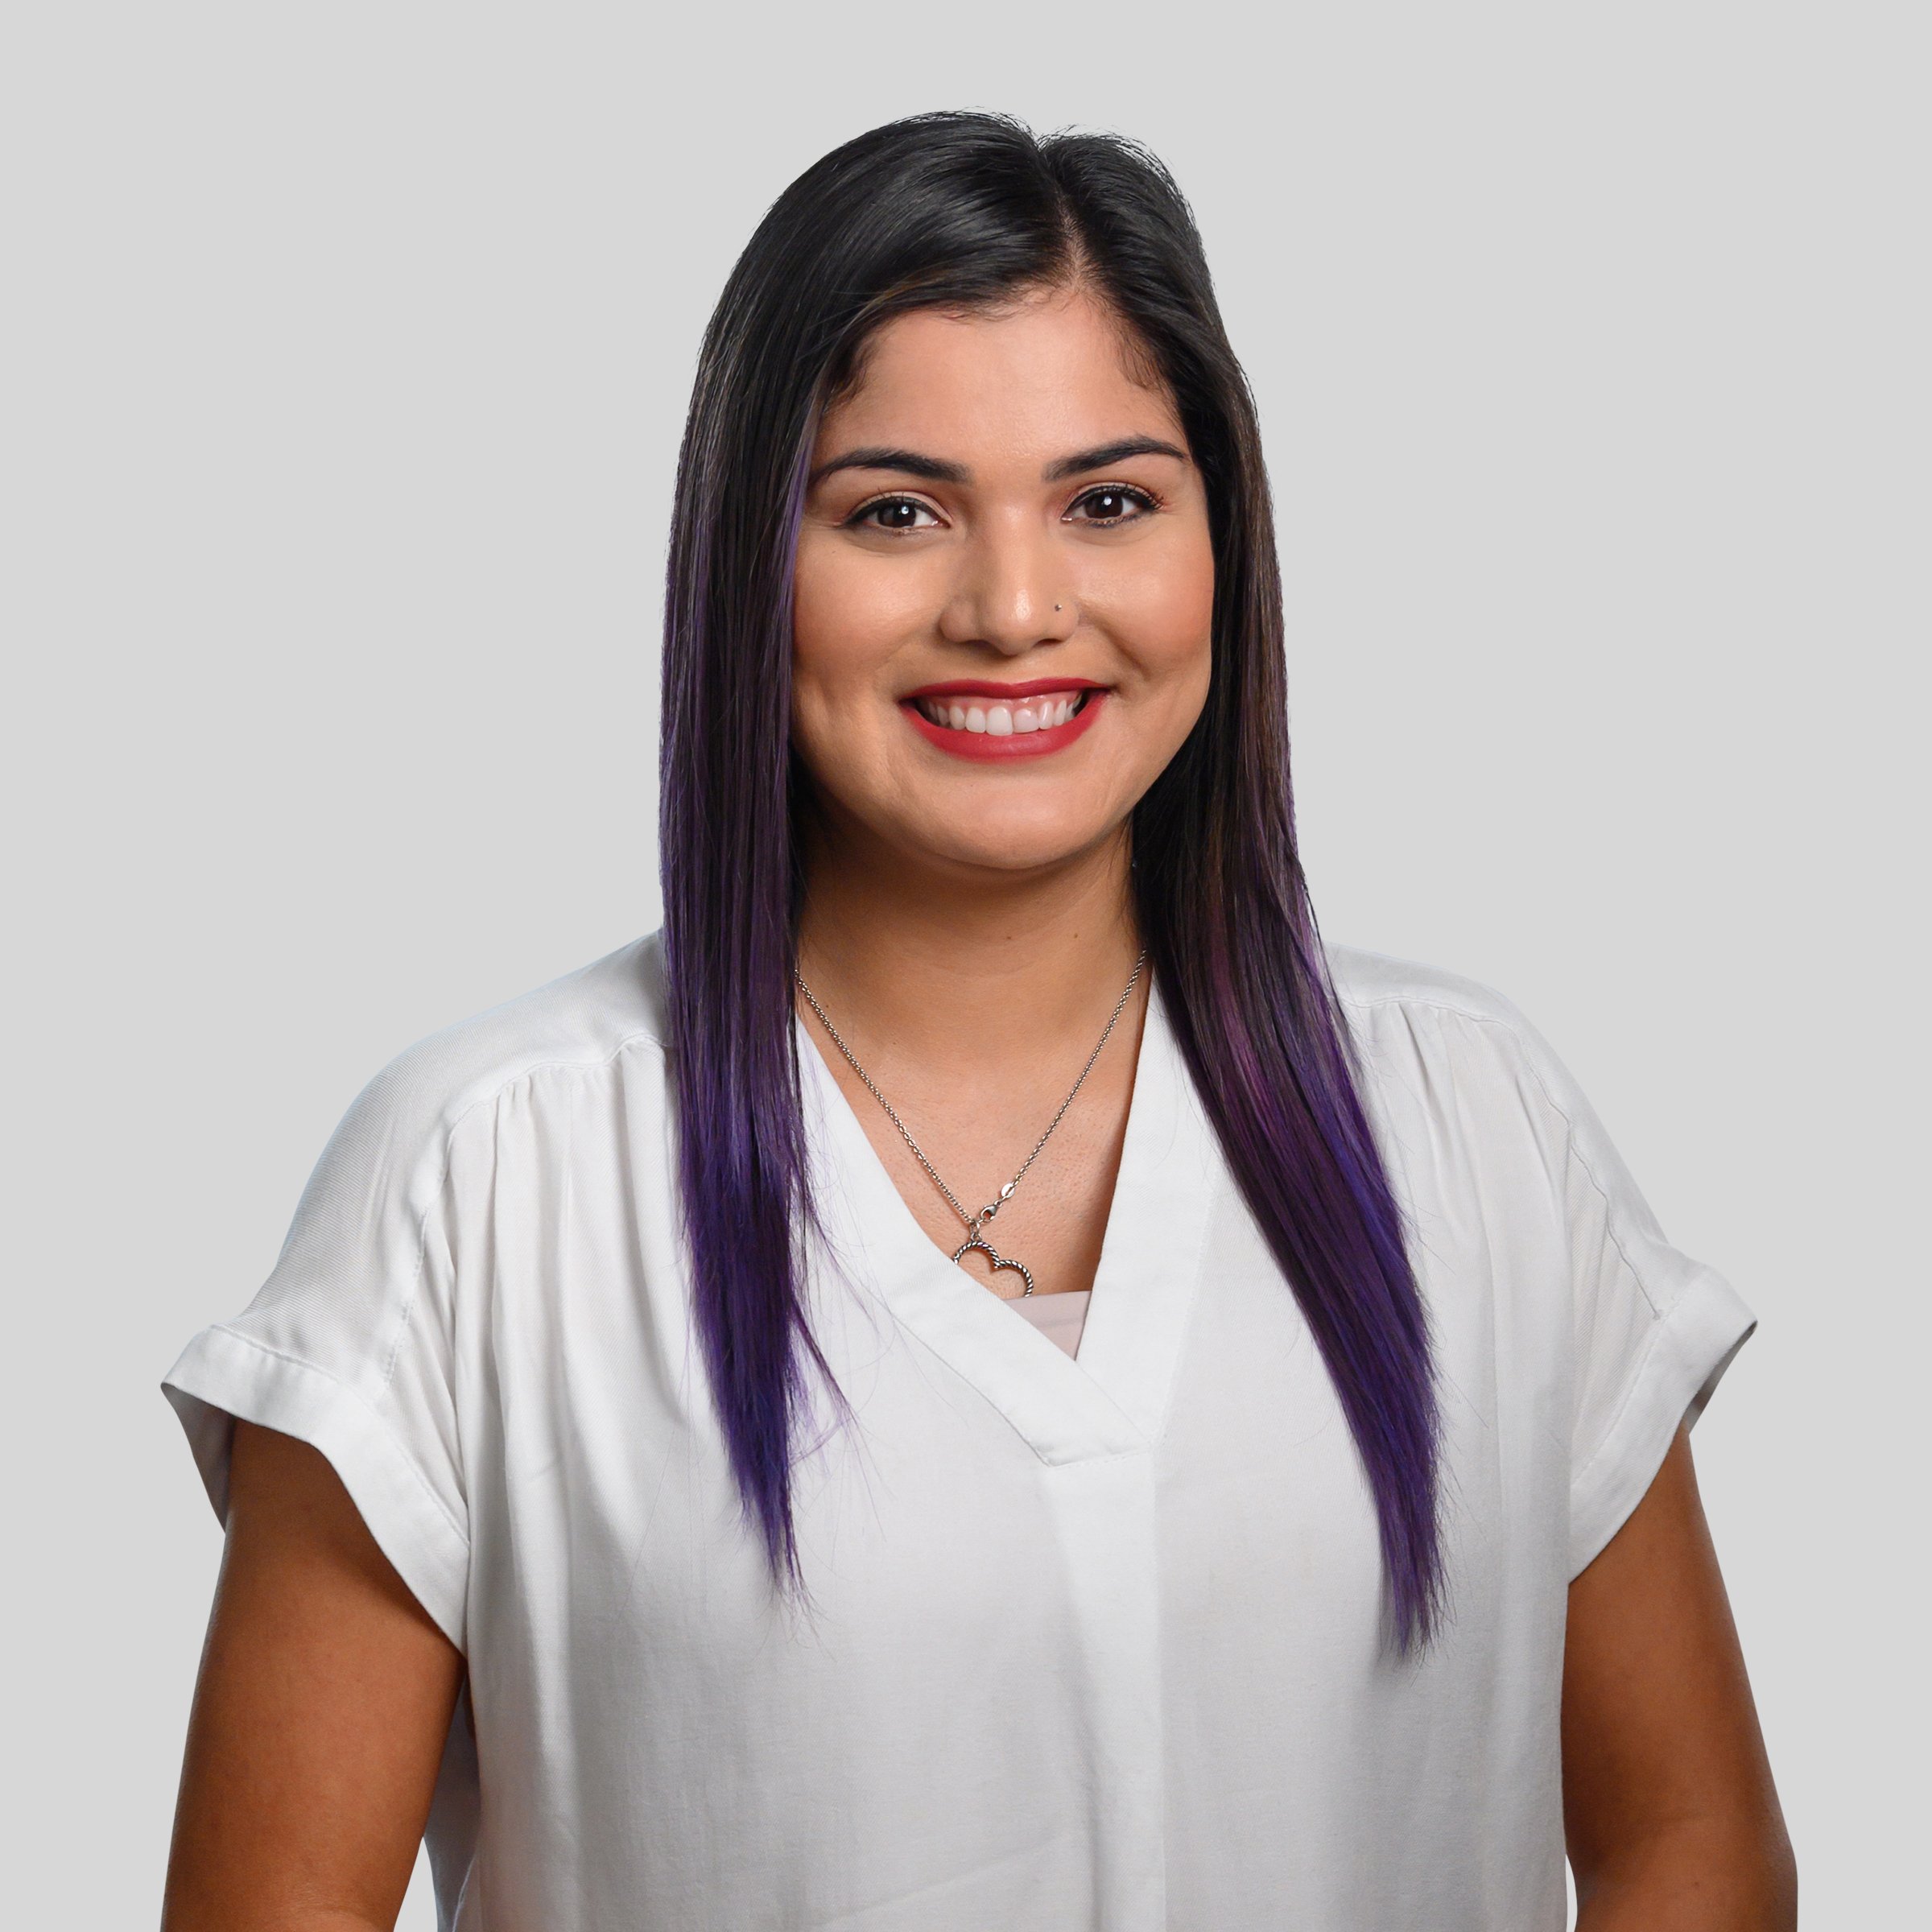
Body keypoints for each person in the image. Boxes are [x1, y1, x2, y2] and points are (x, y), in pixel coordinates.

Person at [158, 111, 1795, 1930]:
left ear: (1221, 548)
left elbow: (1688, 1846)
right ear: (746, 563)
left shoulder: (1471, 1123)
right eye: (893, 511)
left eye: (1108, 502)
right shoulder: (488, 1177)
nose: (1015, 610)